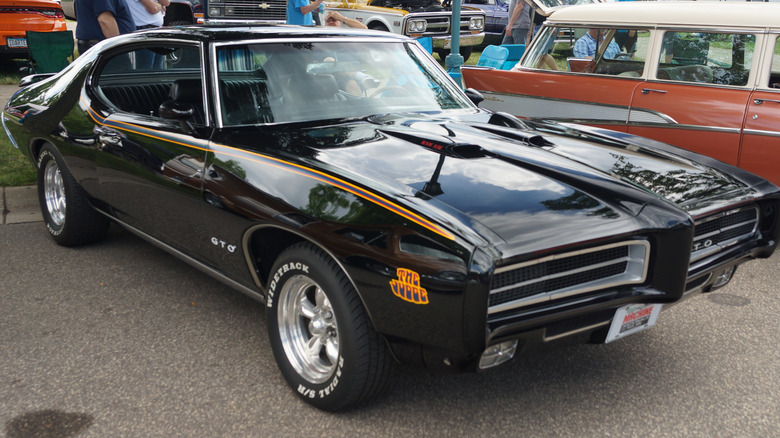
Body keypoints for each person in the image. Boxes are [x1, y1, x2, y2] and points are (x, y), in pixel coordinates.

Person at [126, 0, 171, 69]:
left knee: (157, 70)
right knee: (146, 69)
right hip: (144, 32)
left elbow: (166, 2)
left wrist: (158, 4)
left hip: (156, 31)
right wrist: (161, 5)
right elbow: (153, 8)